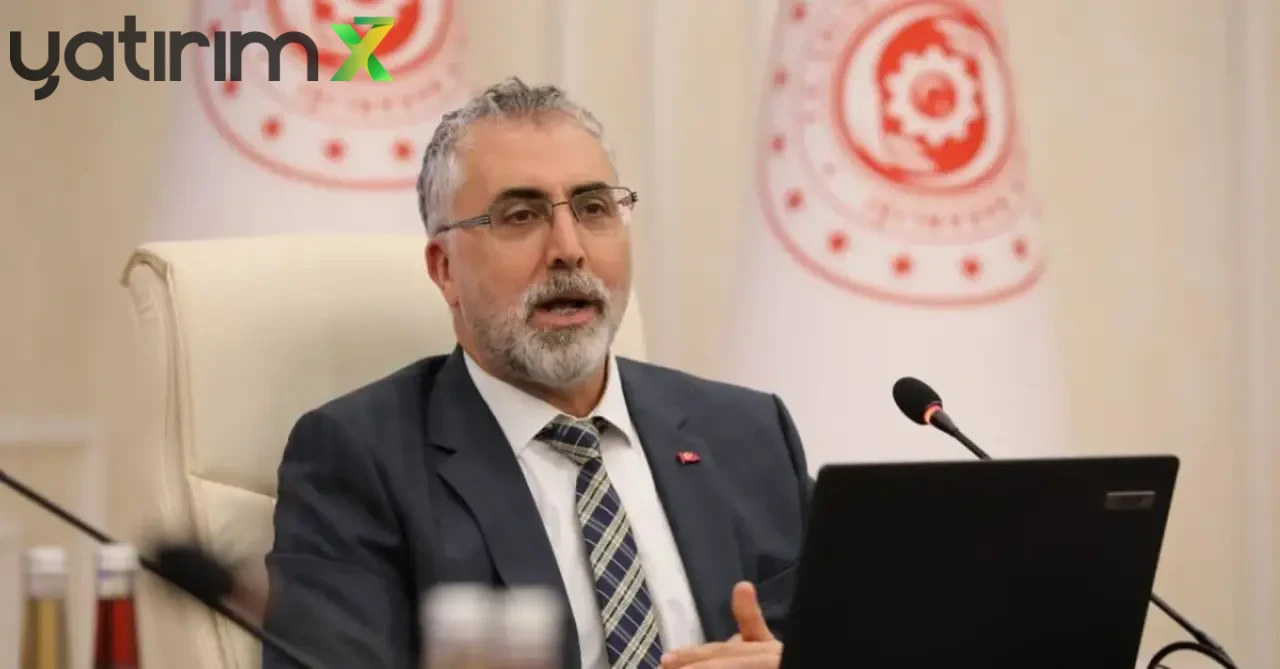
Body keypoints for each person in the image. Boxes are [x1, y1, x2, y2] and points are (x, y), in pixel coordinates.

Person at [262, 77, 815, 669]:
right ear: (444, 269)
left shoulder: (749, 434)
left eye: (594, 209)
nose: (569, 249)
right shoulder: (359, 461)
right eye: (521, 216)